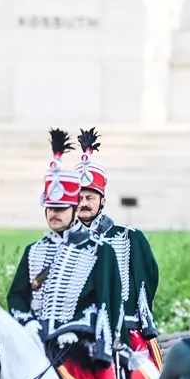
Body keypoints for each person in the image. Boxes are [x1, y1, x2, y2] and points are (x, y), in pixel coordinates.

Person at [7, 129, 125, 379]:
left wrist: (82, 328)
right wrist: (25, 322)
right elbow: (17, 296)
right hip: (37, 345)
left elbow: (108, 300)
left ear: (74, 208)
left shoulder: (99, 251)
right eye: (50, 209)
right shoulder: (34, 251)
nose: (55, 215)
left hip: (79, 345)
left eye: (61, 209)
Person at [73, 127, 162, 365]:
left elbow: (148, 280)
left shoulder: (130, 237)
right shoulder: (63, 242)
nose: (83, 203)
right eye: (79, 198)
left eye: (89, 197)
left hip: (125, 332)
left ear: (103, 200)